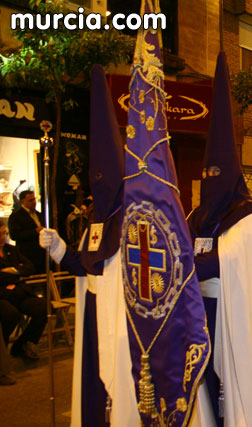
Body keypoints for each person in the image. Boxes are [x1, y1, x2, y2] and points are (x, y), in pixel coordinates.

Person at [187, 52, 252, 426]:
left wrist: (186, 265)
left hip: (233, 314)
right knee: (203, 389)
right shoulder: (197, 214)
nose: (211, 177)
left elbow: (228, 262)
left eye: (218, 172)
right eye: (206, 172)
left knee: (232, 388)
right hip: (200, 314)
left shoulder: (247, 217)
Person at [39, 65, 140, 427]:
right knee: (96, 394)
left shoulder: (137, 221)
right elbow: (86, 265)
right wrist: (60, 249)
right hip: (95, 312)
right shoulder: (95, 220)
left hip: (125, 323)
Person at [0, 220, 46, 361]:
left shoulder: (11, 249)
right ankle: (3, 350)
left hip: (19, 292)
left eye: (4, 233)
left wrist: (13, 270)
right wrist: (16, 273)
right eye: (0, 234)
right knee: (11, 315)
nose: (2, 237)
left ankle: (22, 344)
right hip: (3, 295)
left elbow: (29, 267)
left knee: (44, 308)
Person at [8, 190, 46, 274]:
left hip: (41, 254)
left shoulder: (39, 214)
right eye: (30, 200)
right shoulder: (16, 216)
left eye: (34, 199)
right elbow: (14, 235)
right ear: (22, 202)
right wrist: (34, 231)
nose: (34, 202)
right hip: (27, 255)